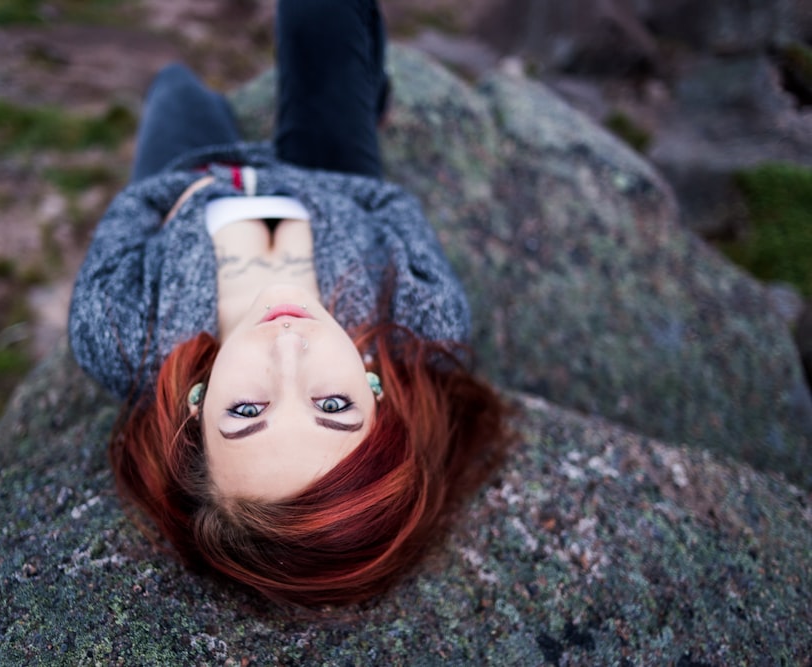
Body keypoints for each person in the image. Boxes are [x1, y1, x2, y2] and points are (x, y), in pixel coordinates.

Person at [68, 0, 512, 608]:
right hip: (326, 172)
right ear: (375, 394)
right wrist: (314, 178)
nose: (287, 351)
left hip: (194, 173)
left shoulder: (119, 338)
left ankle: (226, 116)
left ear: (197, 416)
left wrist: (191, 186)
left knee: (175, 87)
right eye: (332, 404)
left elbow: (132, 214)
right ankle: (366, 98)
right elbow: (391, 207)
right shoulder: (422, 318)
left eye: (248, 410)